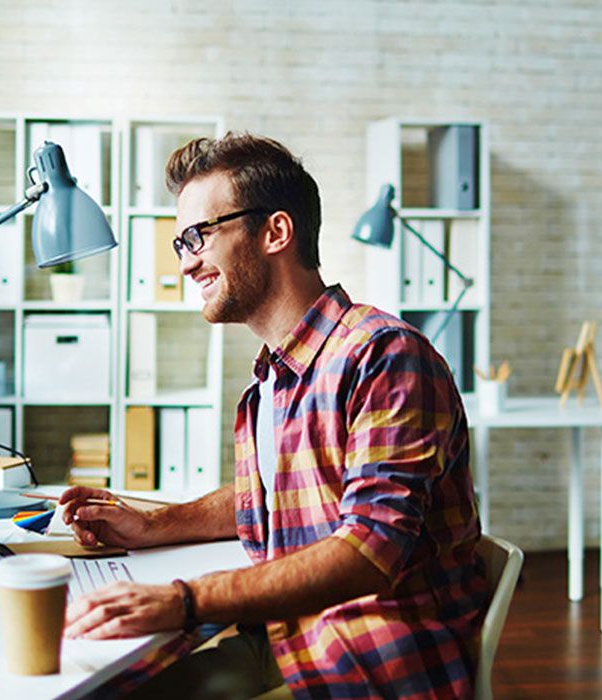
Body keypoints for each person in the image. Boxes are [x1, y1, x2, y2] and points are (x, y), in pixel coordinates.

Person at [61, 132, 487, 698]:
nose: (188, 264)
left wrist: (185, 600)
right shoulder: (276, 374)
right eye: (180, 244)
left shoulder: (383, 355)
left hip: (369, 661)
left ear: (275, 232)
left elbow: (368, 549)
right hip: (289, 636)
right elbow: (270, 495)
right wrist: (154, 525)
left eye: (198, 237)